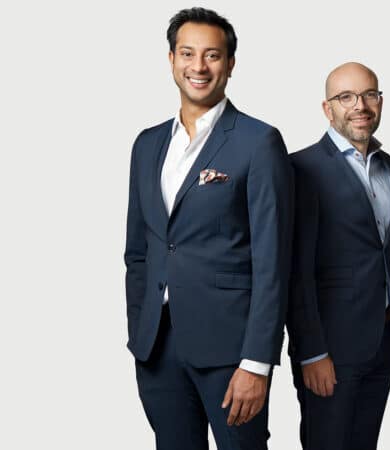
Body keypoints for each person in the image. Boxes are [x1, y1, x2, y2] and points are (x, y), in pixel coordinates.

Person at [123, 7, 293, 449]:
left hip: (230, 351)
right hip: (157, 348)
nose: (198, 66)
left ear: (230, 64)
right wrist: (139, 327)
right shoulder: (147, 144)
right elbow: (139, 251)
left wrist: (256, 362)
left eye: (212, 55)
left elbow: (273, 261)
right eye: (187, 53)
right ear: (171, 60)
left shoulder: (258, 141)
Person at [286, 62, 390, 450]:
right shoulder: (301, 169)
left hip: (382, 341)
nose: (361, 106)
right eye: (346, 97)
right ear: (328, 108)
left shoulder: (388, 167)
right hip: (330, 349)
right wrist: (311, 352)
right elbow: (295, 272)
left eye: (370, 95)